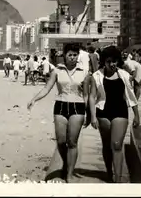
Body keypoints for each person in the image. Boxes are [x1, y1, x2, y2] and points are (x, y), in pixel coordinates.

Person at [27, 43, 88, 183]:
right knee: (61, 141)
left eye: (75, 55)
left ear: (78, 56)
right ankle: (66, 163)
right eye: (70, 55)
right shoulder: (57, 71)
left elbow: (86, 95)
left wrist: (89, 113)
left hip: (78, 107)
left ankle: (70, 173)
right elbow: (47, 88)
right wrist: (34, 99)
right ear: (64, 56)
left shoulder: (84, 72)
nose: (72, 58)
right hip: (60, 105)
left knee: (72, 142)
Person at [88, 46, 140, 183]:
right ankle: (109, 172)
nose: (112, 64)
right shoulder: (96, 76)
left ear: (118, 61)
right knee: (106, 145)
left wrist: (136, 115)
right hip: (103, 112)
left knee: (116, 144)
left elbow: (131, 96)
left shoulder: (124, 75)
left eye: (115, 61)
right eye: (109, 61)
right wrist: (93, 116)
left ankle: (118, 177)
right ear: (104, 62)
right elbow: (92, 97)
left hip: (120, 112)